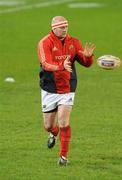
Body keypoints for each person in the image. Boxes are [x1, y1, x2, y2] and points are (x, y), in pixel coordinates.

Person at [38, 16, 96, 166]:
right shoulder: (44, 43)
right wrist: (60, 66)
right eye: (62, 27)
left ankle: (63, 157)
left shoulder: (74, 42)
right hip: (49, 88)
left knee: (64, 122)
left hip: (68, 86)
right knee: (48, 125)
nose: (65, 29)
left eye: (66, 27)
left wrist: (88, 58)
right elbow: (45, 64)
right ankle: (53, 132)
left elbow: (86, 63)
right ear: (54, 28)